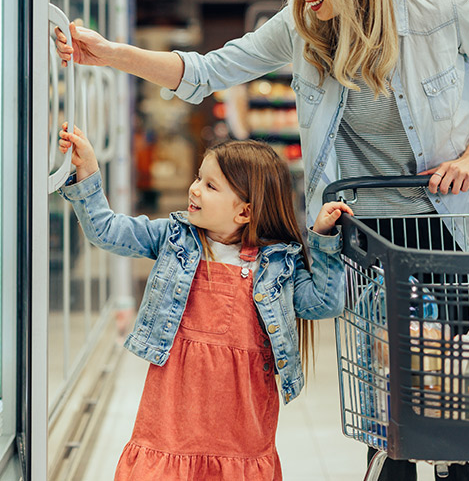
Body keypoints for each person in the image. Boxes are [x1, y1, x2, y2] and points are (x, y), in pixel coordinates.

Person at [56, 0, 469, 479]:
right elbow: (207, 70)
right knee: (394, 384)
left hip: (465, 217)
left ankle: (467, 469)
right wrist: (109, 55)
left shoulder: (442, 10)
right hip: (375, 230)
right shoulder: (302, 28)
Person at [58, 123, 352, 481]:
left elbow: (325, 302)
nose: (194, 188)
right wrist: (87, 170)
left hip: (241, 414)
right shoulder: (173, 237)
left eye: (210, 185)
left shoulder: (278, 263)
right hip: (172, 402)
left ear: (244, 211)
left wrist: (322, 238)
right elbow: (106, 229)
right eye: (199, 178)